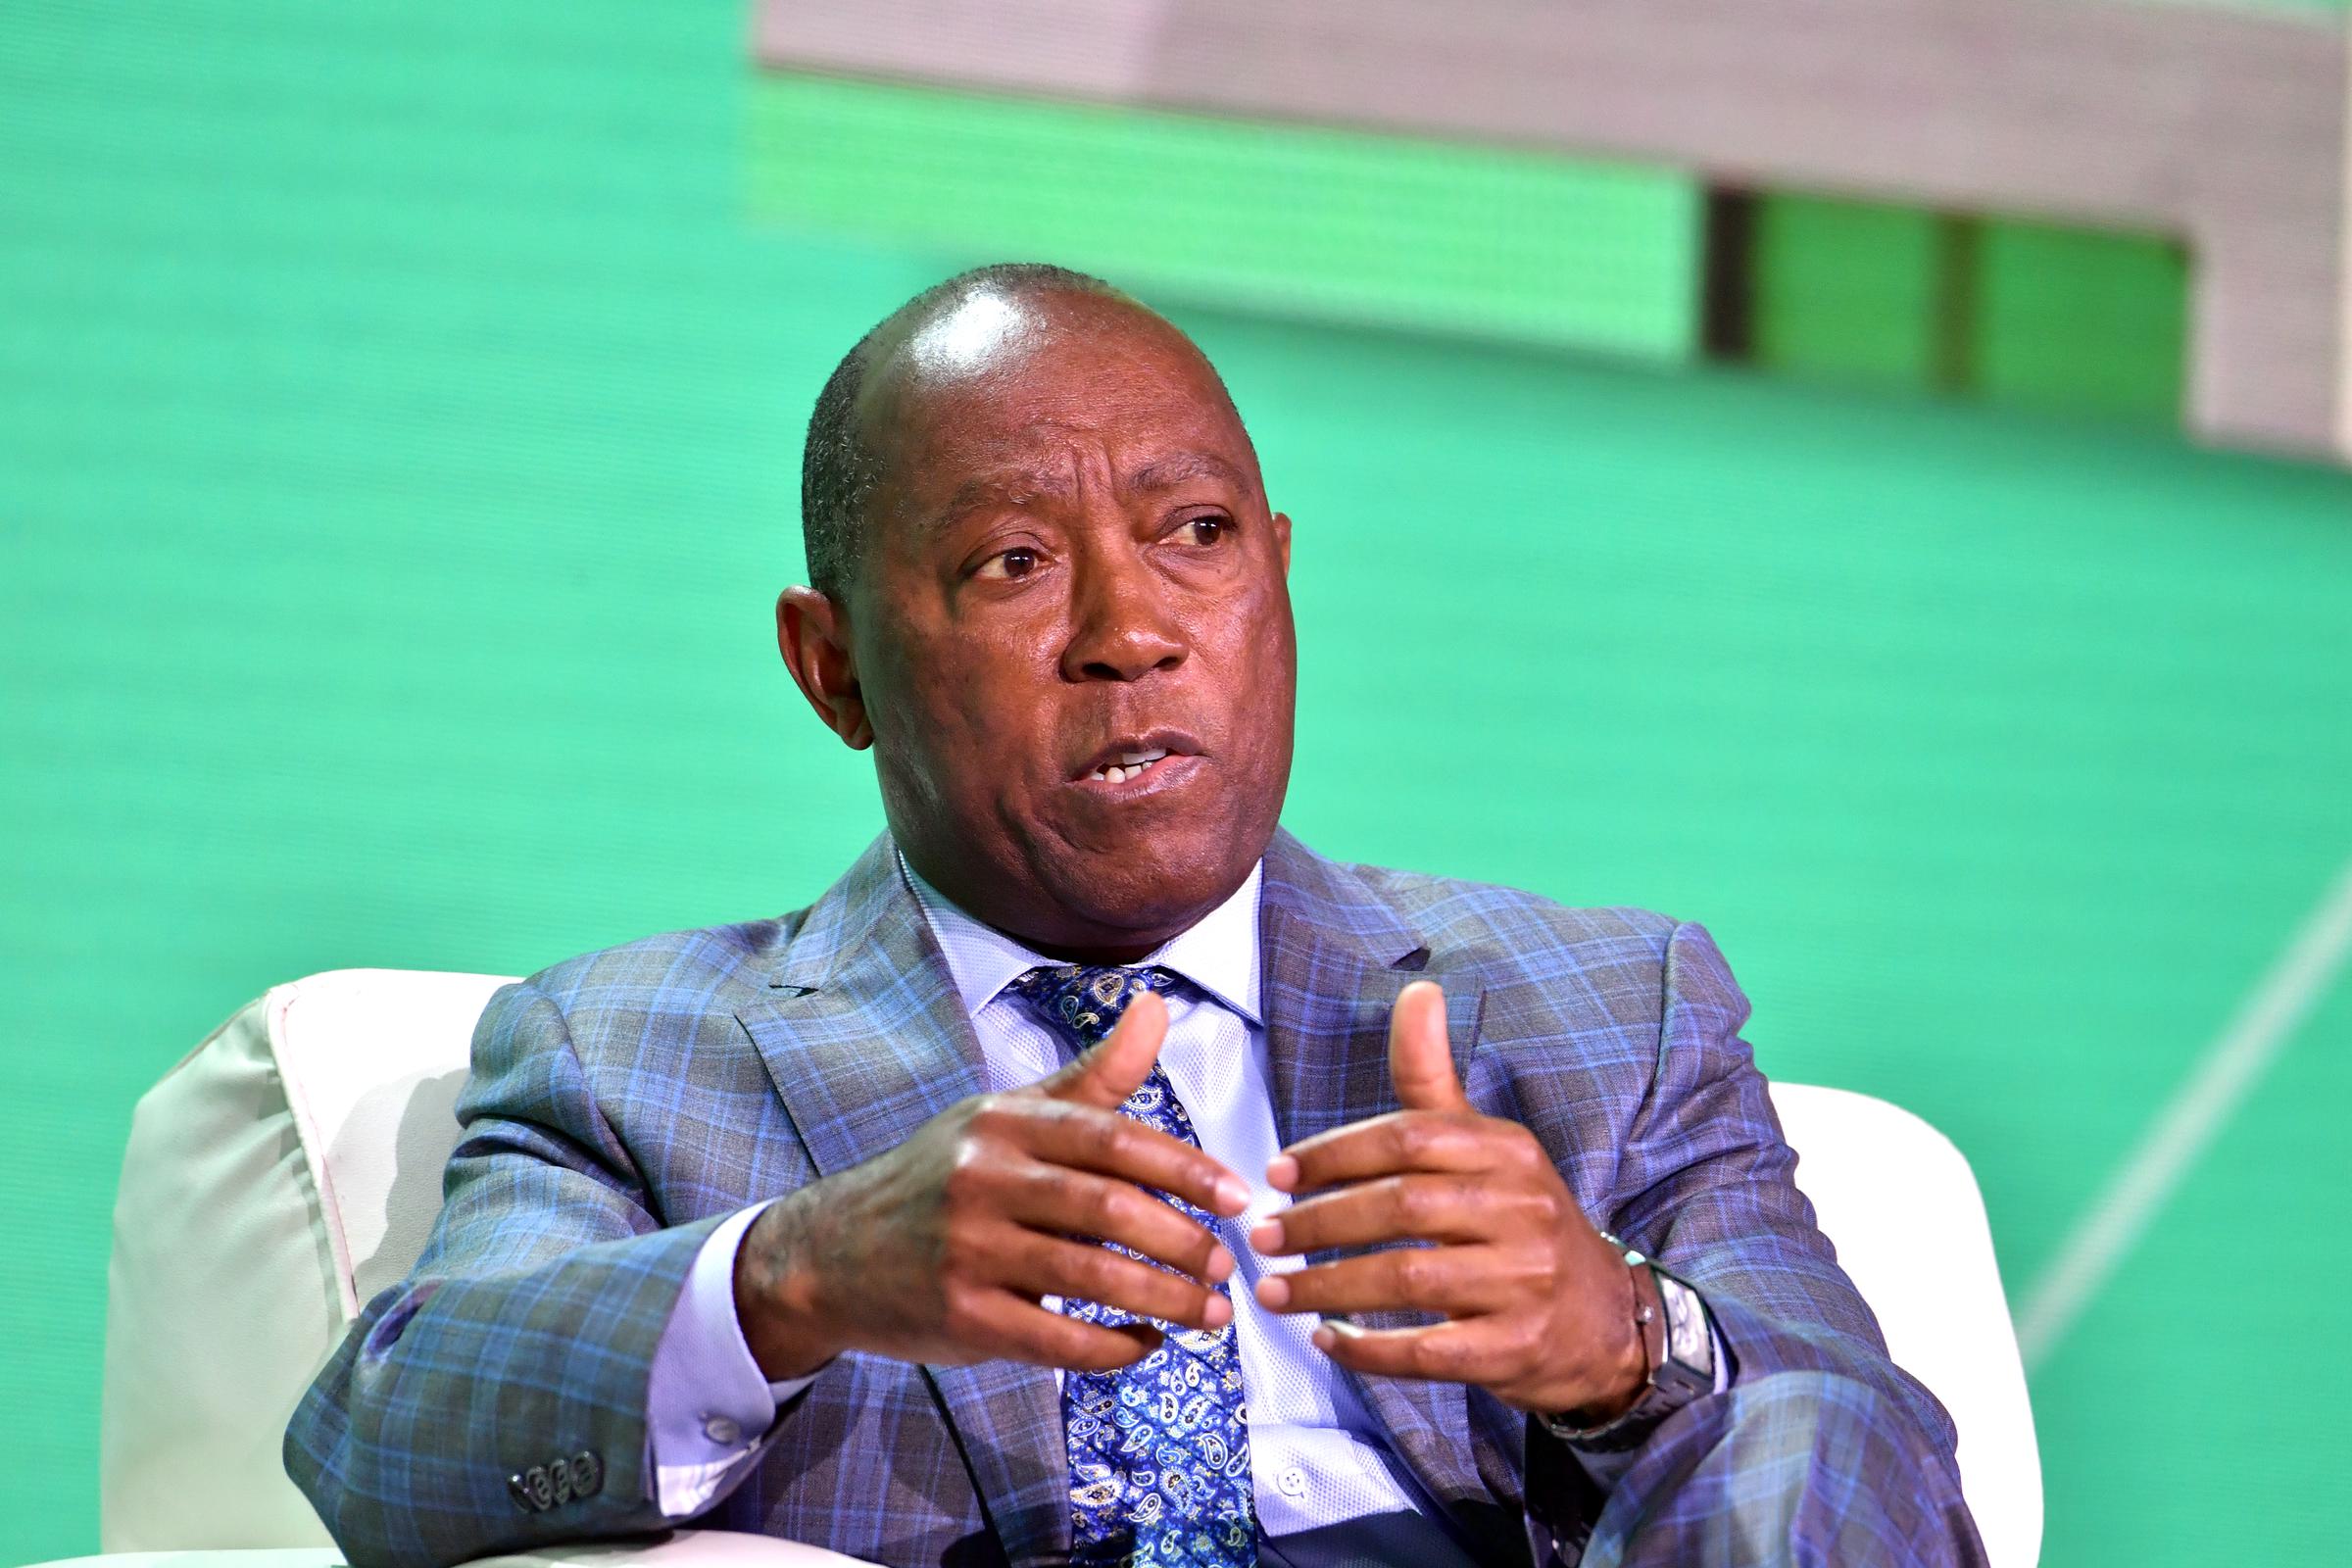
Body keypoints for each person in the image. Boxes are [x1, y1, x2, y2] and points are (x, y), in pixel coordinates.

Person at [285, 264, 1984, 1568]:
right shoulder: (637, 1056)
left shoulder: (1607, 1010)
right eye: (1013, 564)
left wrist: (1630, 1342)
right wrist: (804, 1274)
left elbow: (1879, 1477)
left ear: (1279, 574)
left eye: (1196, 536)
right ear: (834, 671)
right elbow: (390, 1438)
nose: (1134, 631)